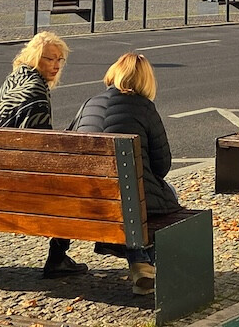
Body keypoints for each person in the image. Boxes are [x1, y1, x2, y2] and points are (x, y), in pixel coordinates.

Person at [69, 52, 183, 296]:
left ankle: (57, 255)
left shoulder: (89, 103)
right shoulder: (145, 108)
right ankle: (142, 262)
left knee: (124, 196)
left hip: (87, 196)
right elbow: (162, 165)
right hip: (126, 200)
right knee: (153, 195)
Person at [0, 32, 88, 280]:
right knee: (77, 186)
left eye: (59, 59)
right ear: (34, 57)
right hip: (16, 184)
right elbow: (40, 153)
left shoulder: (14, 79)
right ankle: (57, 258)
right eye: (49, 59)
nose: (56, 65)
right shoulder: (35, 92)